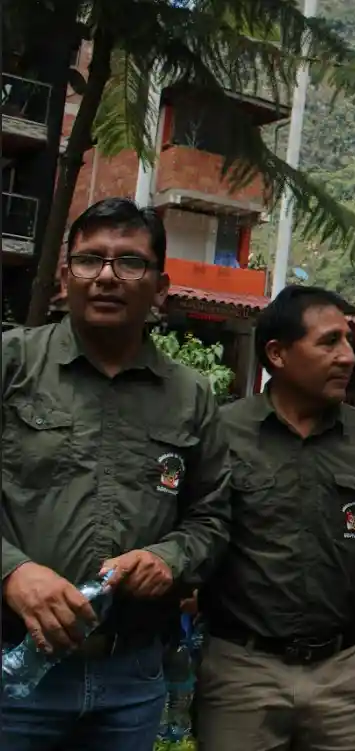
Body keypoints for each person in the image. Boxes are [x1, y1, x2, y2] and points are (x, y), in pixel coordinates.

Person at [1, 197, 232, 750]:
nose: (106, 276)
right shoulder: (11, 365)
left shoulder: (190, 394)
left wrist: (168, 558)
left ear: (160, 287)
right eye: (89, 260)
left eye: (130, 262)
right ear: (64, 278)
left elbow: (211, 517)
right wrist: (12, 572)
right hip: (13, 666)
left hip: (131, 675)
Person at [193, 285, 355, 751]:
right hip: (242, 673)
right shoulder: (224, 433)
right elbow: (196, 531)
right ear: (278, 354)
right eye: (329, 342)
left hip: (344, 672)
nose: (347, 357)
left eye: (348, 340)